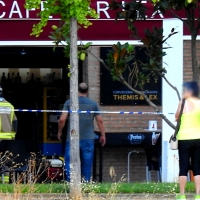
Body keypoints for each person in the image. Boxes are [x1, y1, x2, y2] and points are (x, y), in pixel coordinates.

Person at [57, 82, 106, 182]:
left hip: (72, 138)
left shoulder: (69, 102)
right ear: (87, 91)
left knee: (70, 163)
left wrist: (59, 132)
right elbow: (100, 121)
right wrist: (103, 135)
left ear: (77, 91)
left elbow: (62, 119)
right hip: (88, 138)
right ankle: (86, 184)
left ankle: (70, 184)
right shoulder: (93, 104)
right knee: (87, 164)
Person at [175, 81, 200, 200]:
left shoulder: (182, 102)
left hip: (184, 138)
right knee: (197, 167)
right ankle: (198, 195)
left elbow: (176, 117)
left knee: (183, 166)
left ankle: (182, 195)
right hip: (198, 138)